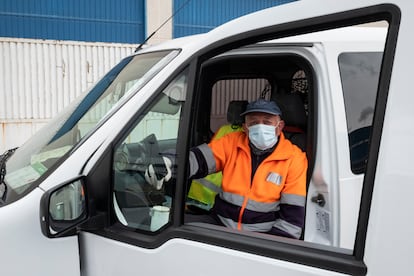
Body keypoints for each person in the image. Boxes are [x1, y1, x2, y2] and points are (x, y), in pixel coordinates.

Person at [146, 98, 307, 239]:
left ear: (279, 127)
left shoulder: (294, 159)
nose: (260, 127)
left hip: (261, 234)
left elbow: (291, 223)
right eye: (253, 122)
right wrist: (169, 163)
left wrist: (266, 253)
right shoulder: (232, 142)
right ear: (245, 127)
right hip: (219, 224)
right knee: (166, 228)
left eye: (267, 122)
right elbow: (199, 159)